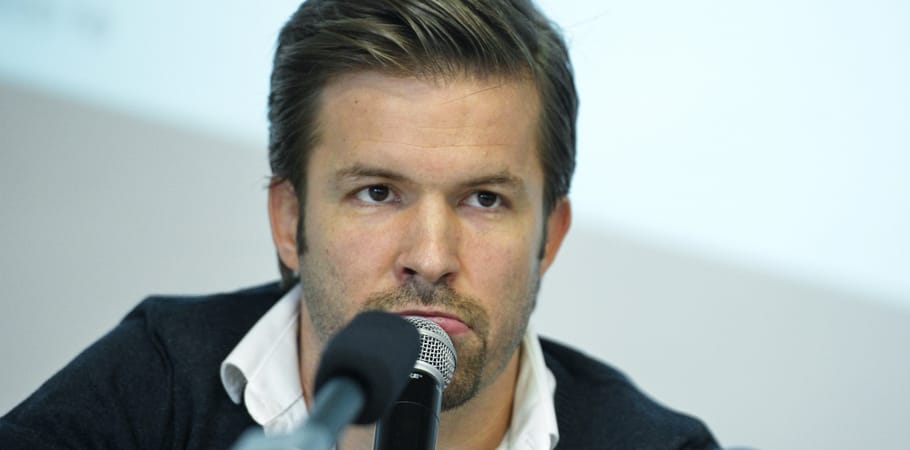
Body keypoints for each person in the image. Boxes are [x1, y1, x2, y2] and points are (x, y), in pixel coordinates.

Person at [0, 0, 719, 449]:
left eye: (484, 199)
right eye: (378, 192)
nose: (430, 257)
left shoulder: (654, 445)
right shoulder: (155, 379)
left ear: (549, 237)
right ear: (290, 220)